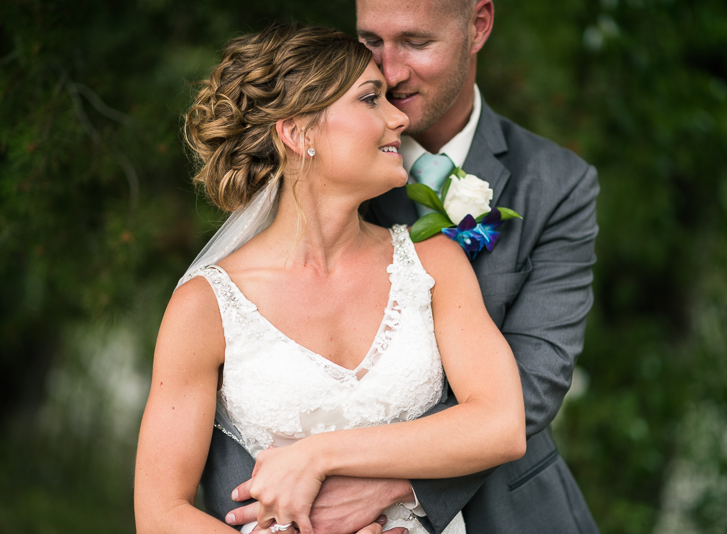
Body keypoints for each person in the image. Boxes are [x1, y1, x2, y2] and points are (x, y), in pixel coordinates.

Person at [207, 1, 601, 533]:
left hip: (503, 509)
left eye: (416, 43)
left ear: (477, 27)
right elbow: (247, 383)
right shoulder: (326, 161)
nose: (390, 72)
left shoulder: (557, 184)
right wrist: (287, 517)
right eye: (372, 41)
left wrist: (386, 485)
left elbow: (534, 381)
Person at [134, 23, 528, 534]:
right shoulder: (205, 306)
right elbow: (159, 513)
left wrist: (319, 455)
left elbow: (500, 425)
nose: (398, 117)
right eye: (371, 99)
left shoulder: (434, 265)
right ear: (298, 133)